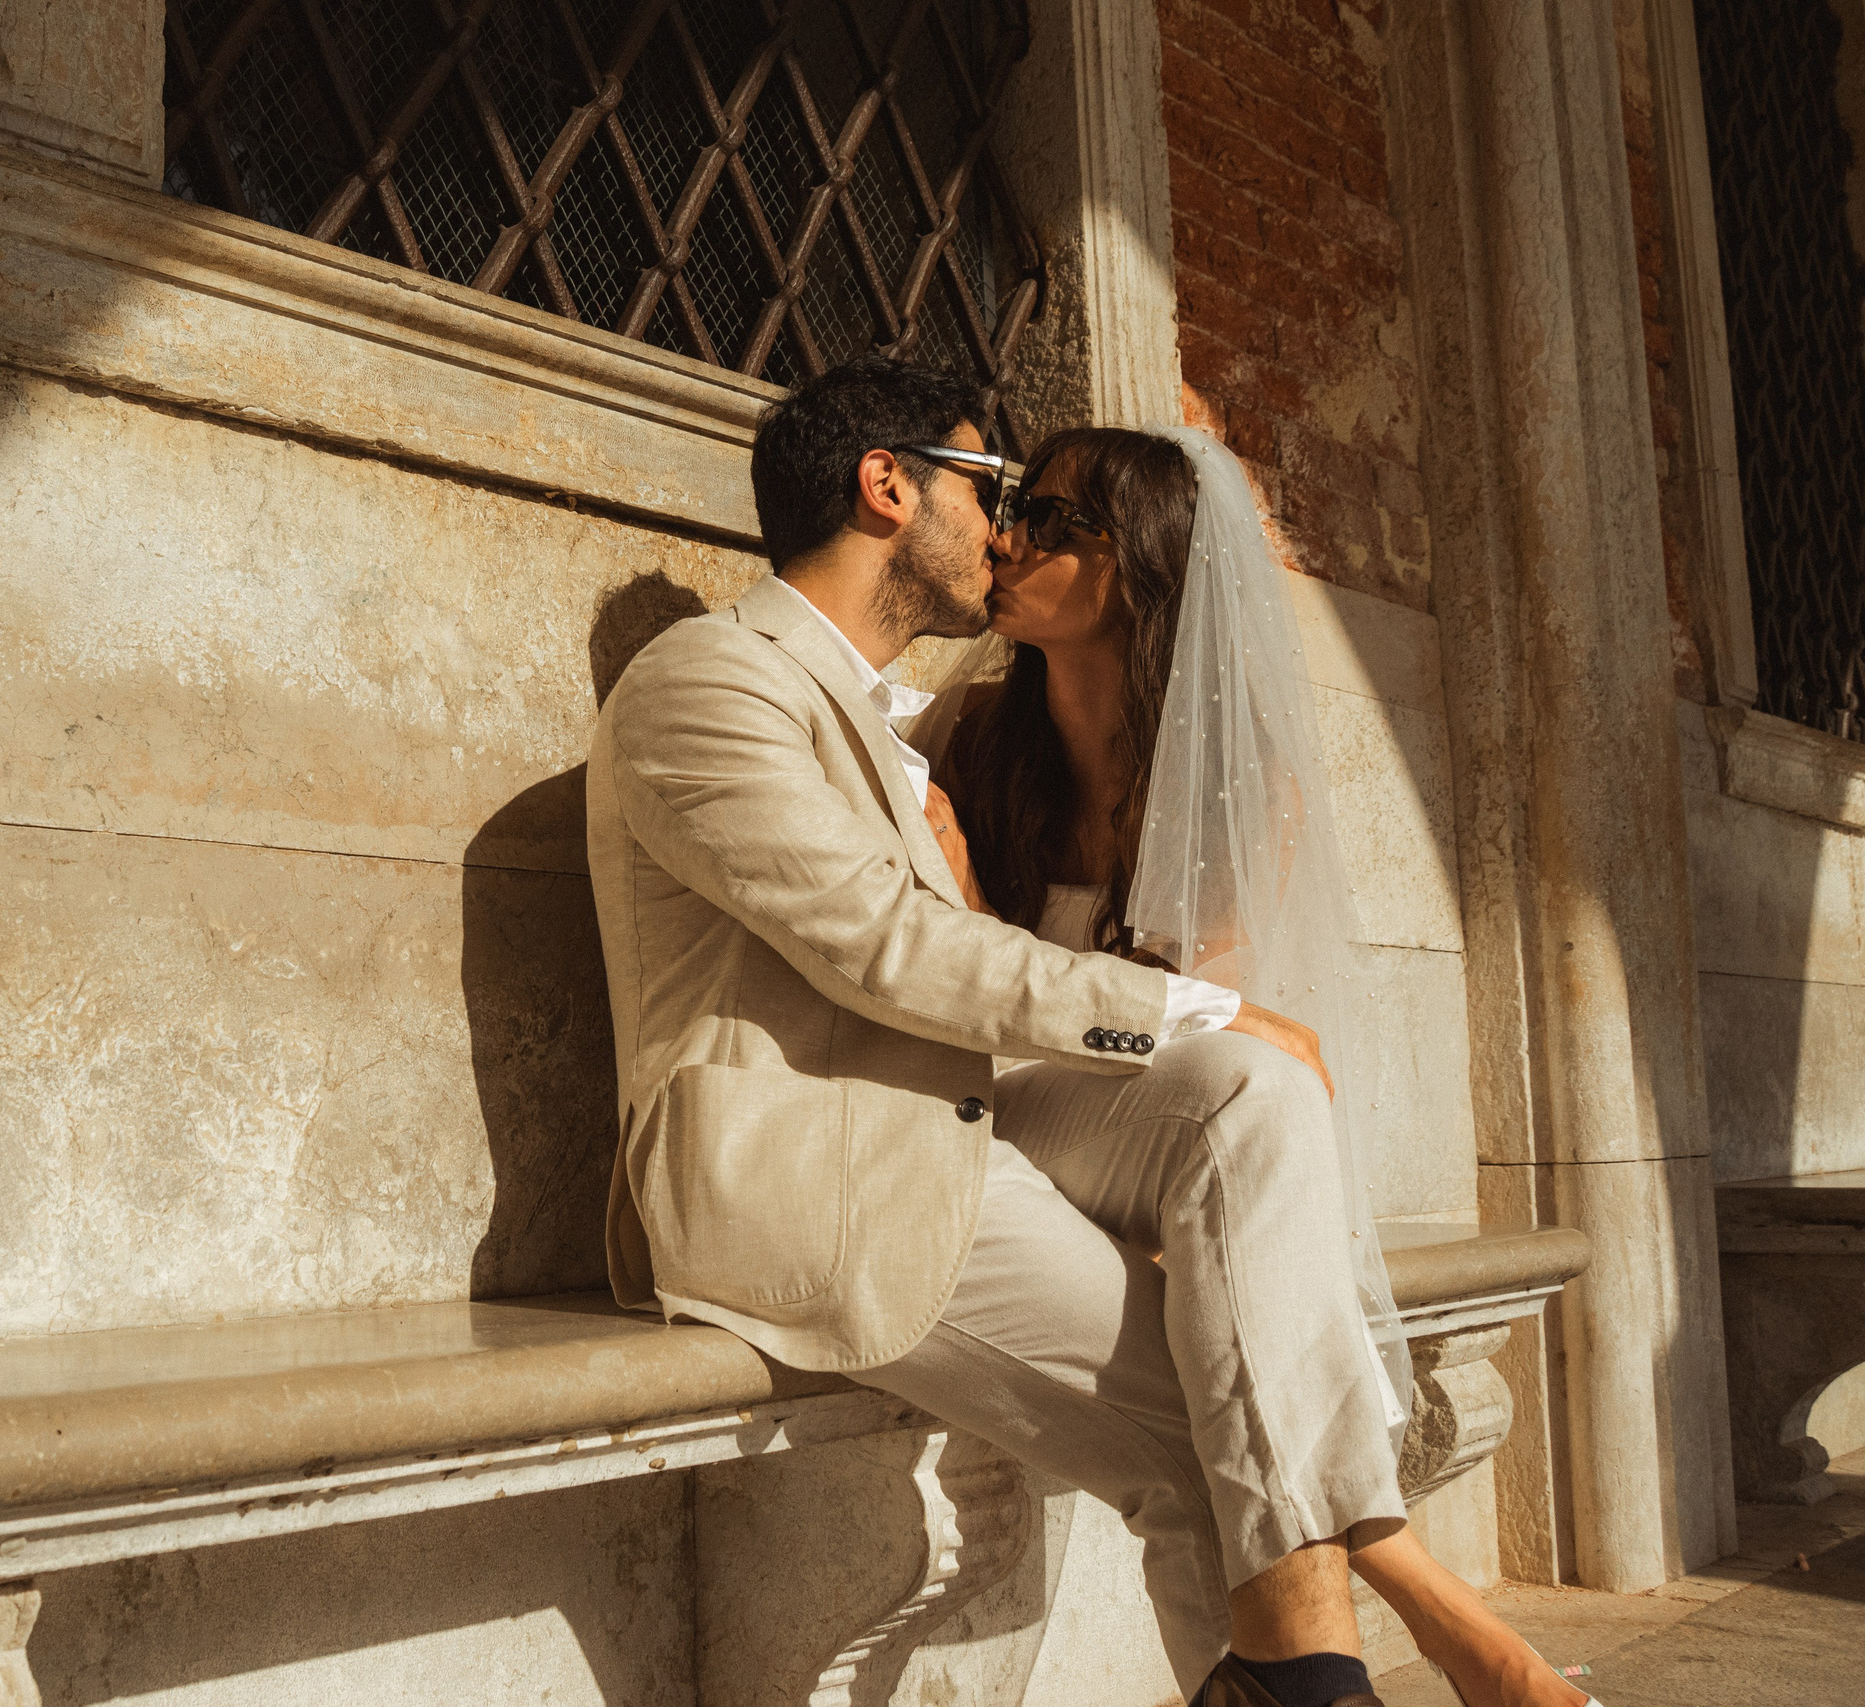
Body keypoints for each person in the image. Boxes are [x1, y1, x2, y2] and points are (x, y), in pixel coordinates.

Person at [581, 354, 1596, 1707]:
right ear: (888, 487)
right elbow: (883, 945)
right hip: (818, 1177)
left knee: (1253, 1096)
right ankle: (1364, 1662)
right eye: (988, 487)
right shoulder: (713, 681)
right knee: (1217, 1435)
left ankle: (1310, 1684)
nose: (1002, 529)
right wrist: (1190, 1003)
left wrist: (1215, 1026)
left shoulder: (894, 724)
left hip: (962, 1128)